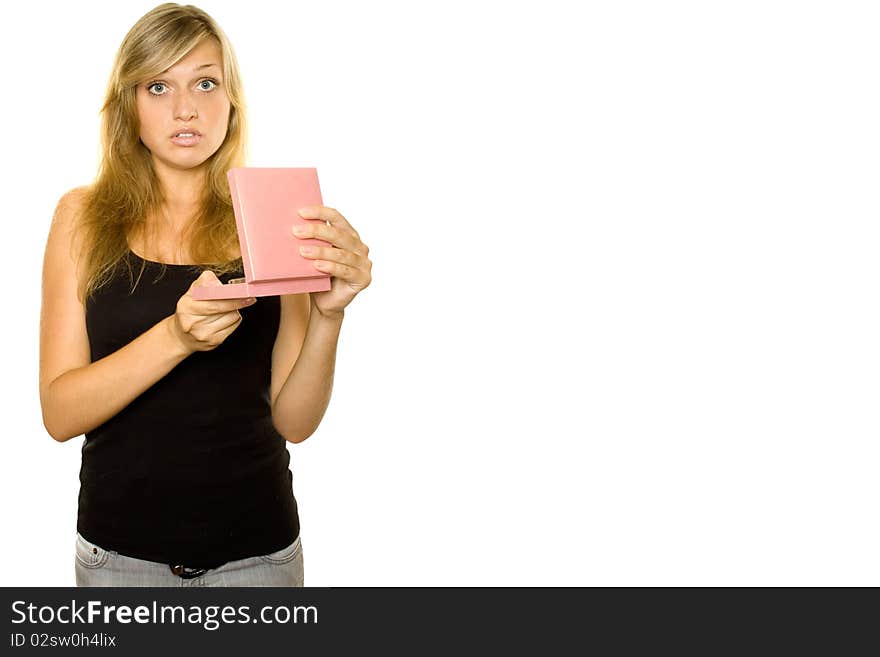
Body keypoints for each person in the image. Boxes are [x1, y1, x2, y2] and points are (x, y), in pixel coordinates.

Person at [38, 3, 371, 587]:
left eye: (206, 82)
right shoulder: (81, 218)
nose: (185, 108)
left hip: (258, 561)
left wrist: (328, 317)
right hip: (119, 562)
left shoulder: (273, 218)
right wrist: (175, 336)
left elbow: (294, 422)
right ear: (128, 105)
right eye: (159, 86)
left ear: (231, 100)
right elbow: (60, 414)